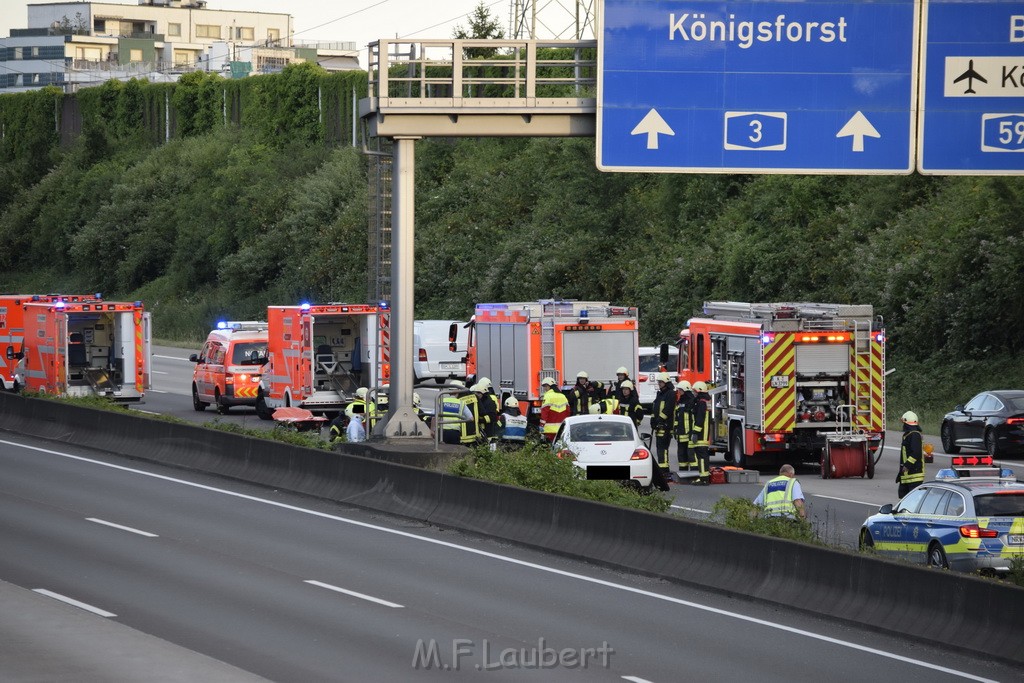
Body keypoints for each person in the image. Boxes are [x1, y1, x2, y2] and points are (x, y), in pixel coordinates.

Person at [650, 372, 676, 476]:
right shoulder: (659, 394)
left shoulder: (670, 394)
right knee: (659, 449)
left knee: (663, 448)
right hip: (658, 426)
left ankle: (664, 470)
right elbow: (655, 408)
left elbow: (668, 409)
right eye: (659, 382)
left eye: (661, 382)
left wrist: (659, 420)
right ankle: (662, 469)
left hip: (665, 426)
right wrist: (653, 420)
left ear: (666, 382)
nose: (659, 384)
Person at [898, 410, 925, 497]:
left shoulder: (914, 435)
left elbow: (916, 453)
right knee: (902, 497)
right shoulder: (909, 435)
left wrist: (907, 465)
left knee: (912, 500)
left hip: (914, 475)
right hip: (907, 476)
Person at [690, 381, 712, 485]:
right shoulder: (705, 401)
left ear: (699, 391)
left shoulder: (701, 402)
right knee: (702, 455)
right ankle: (704, 477)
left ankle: (704, 479)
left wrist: (695, 432)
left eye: (694, 391)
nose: (694, 393)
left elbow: (699, 419)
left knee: (701, 455)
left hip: (701, 433)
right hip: (704, 432)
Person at [674, 380, 697, 471]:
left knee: (691, 455)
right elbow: (677, 417)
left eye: (680, 390)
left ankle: (694, 473)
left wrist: (692, 432)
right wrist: (675, 429)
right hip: (681, 434)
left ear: (685, 390)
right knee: (681, 455)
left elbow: (693, 419)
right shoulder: (680, 402)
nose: (679, 392)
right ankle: (683, 473)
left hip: (689, 434)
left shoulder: (691, 402)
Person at [539, 376, 570, 443]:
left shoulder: (548, 396)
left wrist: (541, 426)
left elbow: (544, 412)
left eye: (545, 386)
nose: (544, 388)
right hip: (561, 429)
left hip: (549, 430)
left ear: (548, 386)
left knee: (549, 448)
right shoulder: (562, 396)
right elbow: (568, 411)